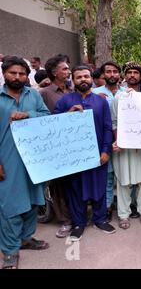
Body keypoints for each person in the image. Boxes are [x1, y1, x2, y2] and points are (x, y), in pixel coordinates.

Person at [0, 56, 51, 269]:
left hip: (33, 158)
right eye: (13, 73)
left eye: (22, 73)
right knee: (10, 207)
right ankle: (10, 251)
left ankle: (25, 239)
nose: (18, 77)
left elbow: (46, 116)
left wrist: (27, 115)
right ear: (4, 74)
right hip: (7, 159)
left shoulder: (33, 95)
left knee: (33, 201)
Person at [54, 65, 115, 241]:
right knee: (75, 189)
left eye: (86, 76)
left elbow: (107, 127)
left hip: (97, 154)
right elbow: (53, 125)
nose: (83, 80)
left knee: (99, 187)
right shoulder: (65, 101)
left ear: (92, 78)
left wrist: (105, 150)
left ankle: (100, 219)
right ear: (73, 80)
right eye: (79, 77)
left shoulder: (101, 101)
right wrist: (68, 114)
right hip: (74, 157)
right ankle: (79, 223)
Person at [110, 62, 141, 229]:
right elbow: (114, 122)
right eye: (129, 73)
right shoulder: (119, 97)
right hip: (123, 146)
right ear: (125, 76)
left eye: (136, 72)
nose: (132, 75)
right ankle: (123, 214)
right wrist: (118, 141)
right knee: (123, 180)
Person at [40, 55, 74, 238]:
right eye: (65, 69)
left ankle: (77, 215)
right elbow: (41, 121)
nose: (68, 71)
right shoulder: (44, 93)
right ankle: (64, 221)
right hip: (56, 146)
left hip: (76, 145)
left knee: (74, 182)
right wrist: (65, 116)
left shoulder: (73, 89)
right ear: (54, 72)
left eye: (69, 69)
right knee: (58, 185)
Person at [92, 61, 125, 222]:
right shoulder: (94, 92)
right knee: (108, 174)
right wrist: (94, 99)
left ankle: (126, 206)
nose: (112, 75)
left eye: (115, 72)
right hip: (104, 139)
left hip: (123, 140)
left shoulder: (127, 92)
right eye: (108, 72)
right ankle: (107, 206)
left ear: (119, 74)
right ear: (103, 74)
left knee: (124, 173)